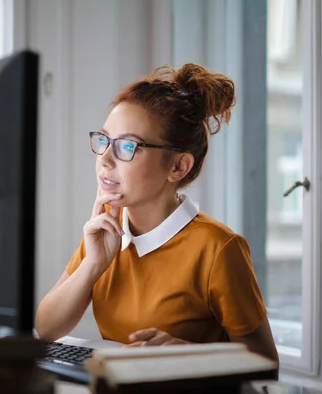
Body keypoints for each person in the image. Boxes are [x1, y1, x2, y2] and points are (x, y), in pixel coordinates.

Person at [35, 63, 279, 365]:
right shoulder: (103, 234)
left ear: (177, 167)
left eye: (127, 146)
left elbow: (266, 365)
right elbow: (45, 329)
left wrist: (184, 355)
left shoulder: (218, 249)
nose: (105, 159)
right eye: (104, 140)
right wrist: (93, 265)